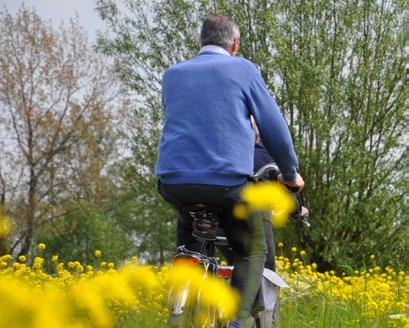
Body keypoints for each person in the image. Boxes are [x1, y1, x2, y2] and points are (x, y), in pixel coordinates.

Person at [155, 15, 304, 327]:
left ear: (201, 41)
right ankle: (236, 323)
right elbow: (274, 129)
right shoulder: (243, 69)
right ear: (234, 44)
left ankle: (185, 269)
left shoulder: (172, 75)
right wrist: (290, 174)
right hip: (227, 184)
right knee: (252, 252)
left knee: (188, 232)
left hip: (172, 183)